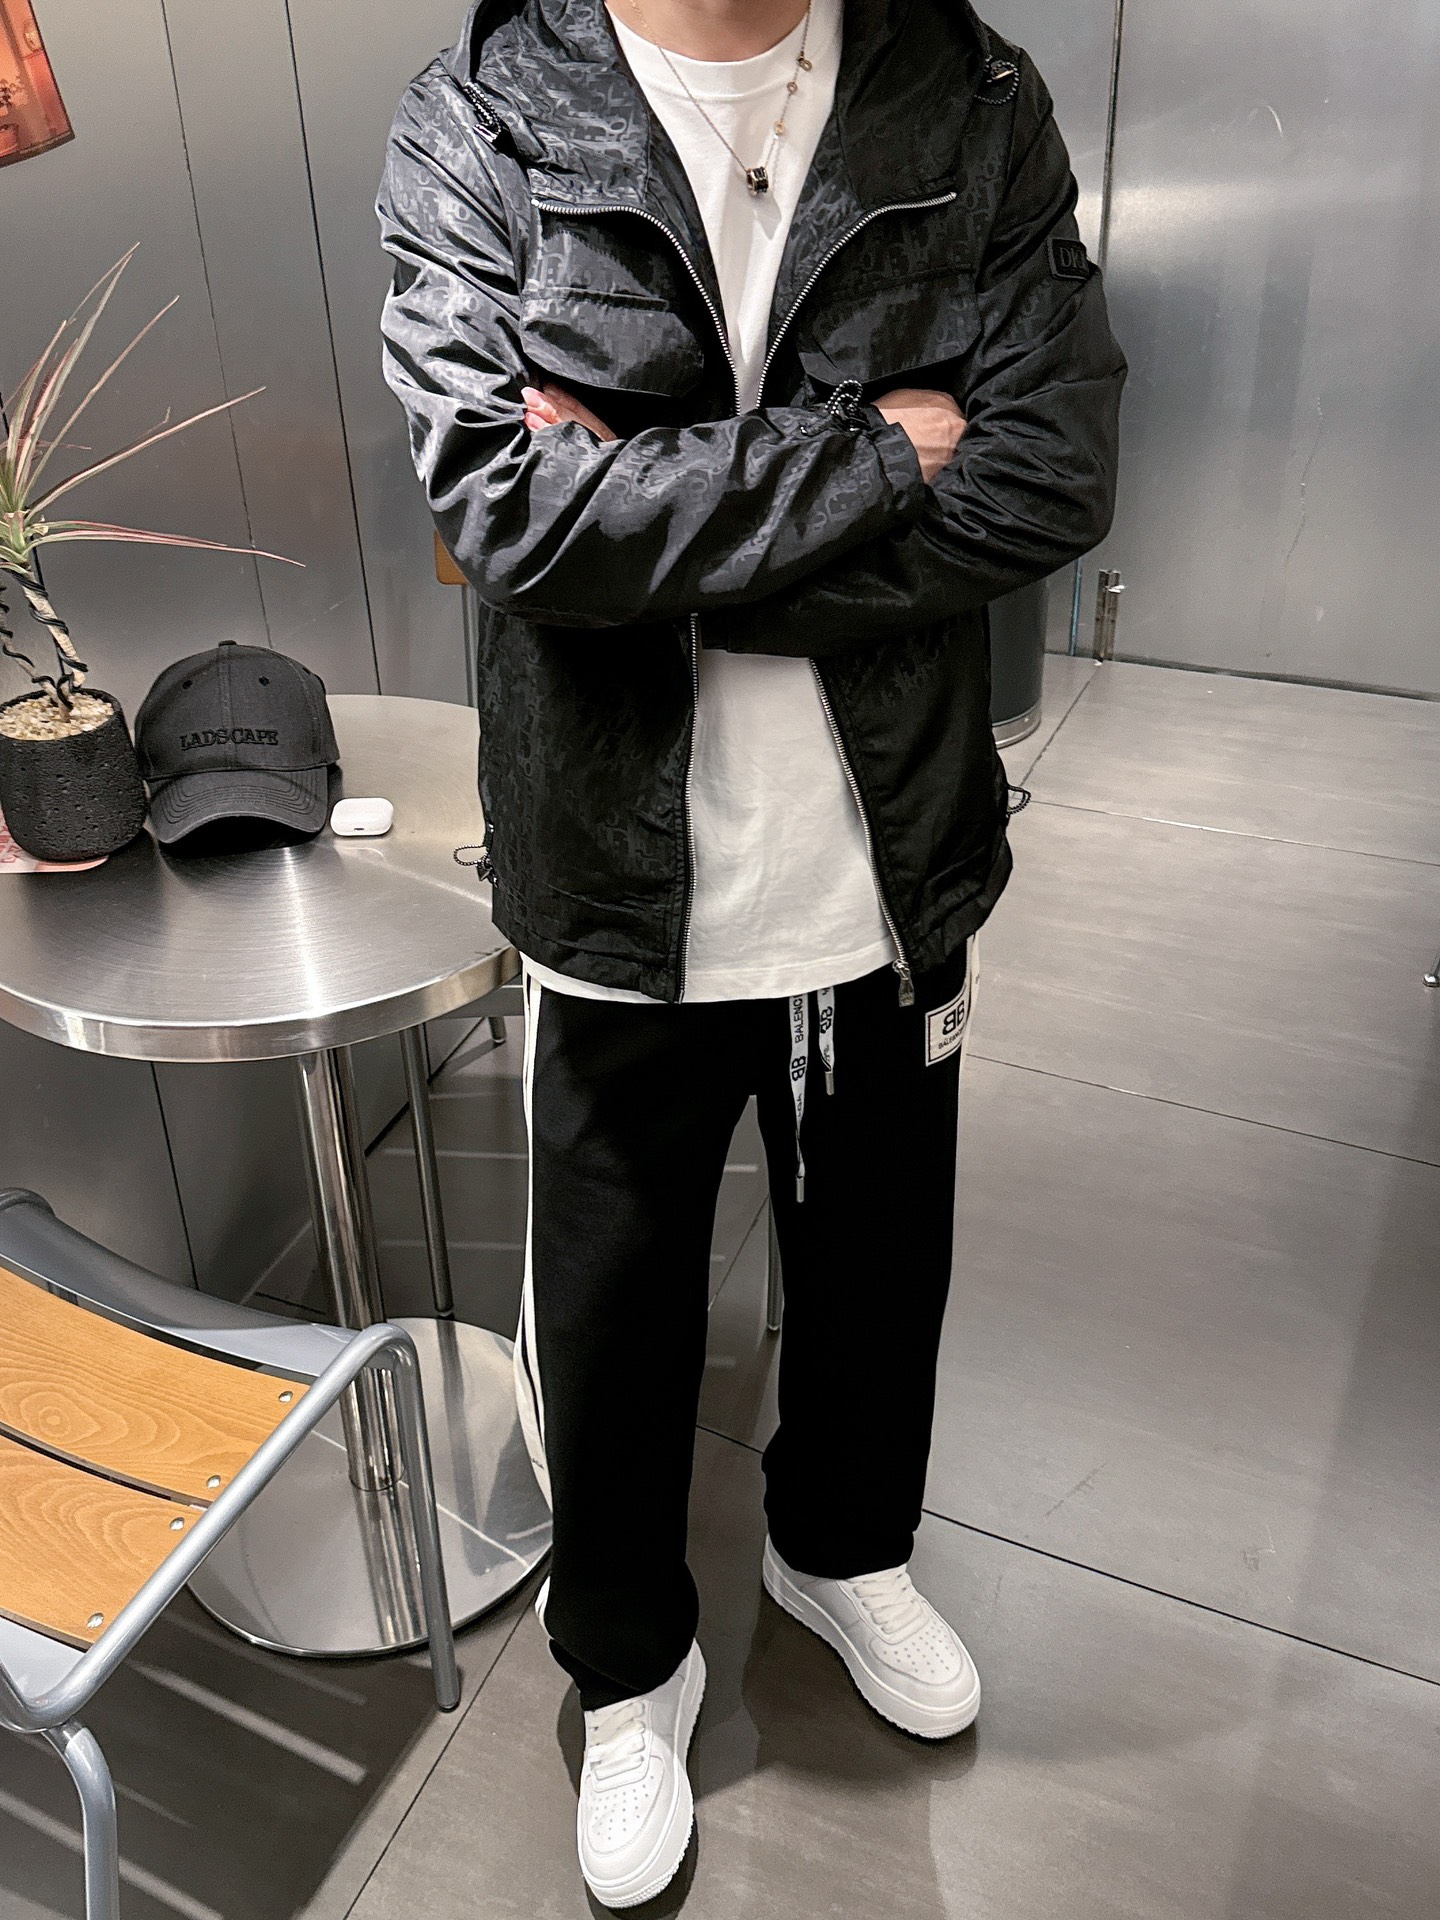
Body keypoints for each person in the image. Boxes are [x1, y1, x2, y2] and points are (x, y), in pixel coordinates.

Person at [379, 0, 1124, 1903]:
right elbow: (505, 510)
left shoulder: (972, 97)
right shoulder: (485, 118)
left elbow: (1050, 473)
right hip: (615, 873)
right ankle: (629, 1667)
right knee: (614, 1307)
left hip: (886, 850)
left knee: (879, 1262)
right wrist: (881, 448)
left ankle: (840, 1549)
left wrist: (662, 535)